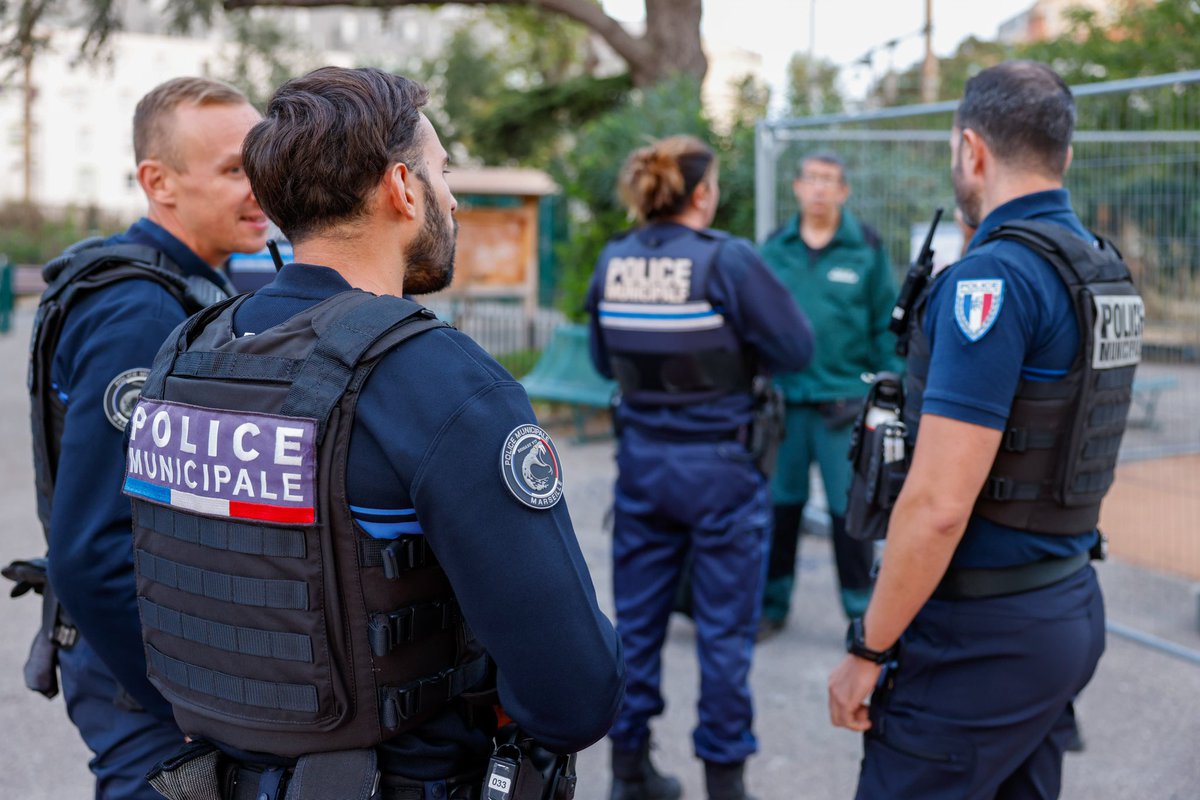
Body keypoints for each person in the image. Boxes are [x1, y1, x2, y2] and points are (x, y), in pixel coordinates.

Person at [121, 66, 624, 800]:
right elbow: (575, 694)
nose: (450, 197)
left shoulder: (187, 354)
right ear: (402, 189)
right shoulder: (437, 379)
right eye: (442, 172)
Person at [829, 60, 1140, 798]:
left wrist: (866, 649)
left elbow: (937, 508)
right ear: (1063, 152)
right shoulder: (1101, 268)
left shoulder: (991, 280)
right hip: (1063, 603)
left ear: (972, 150)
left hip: (979, 637)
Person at [13, 77, 268, 799]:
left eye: (262, 161)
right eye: (232, 170)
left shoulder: (189, 285)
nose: (260, 186)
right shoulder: (139, 315)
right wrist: (182, 699)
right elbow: (90, 551)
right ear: (158, 182)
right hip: (144, 678)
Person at [586, 135, 813, 800]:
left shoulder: (614, 259)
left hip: (643, 468)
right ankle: (726, 782)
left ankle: (629, 774)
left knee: (639, 623)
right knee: (723, 634)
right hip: (722, 470)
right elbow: (796, 348)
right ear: (703, 193)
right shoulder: (728, 261)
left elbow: (606, 362)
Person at [757, 152, 901, 637]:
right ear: (797, 187)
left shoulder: (867, 249)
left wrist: (890, 389)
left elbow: (888, 326)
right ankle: (771, 606)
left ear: (844, 191)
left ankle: (861, 613)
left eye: (829, 181)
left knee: (851, 515)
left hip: (845, 407)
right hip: (784, 407)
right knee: (780, 510)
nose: (819, 188)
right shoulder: (773, 249)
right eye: (811, 179)